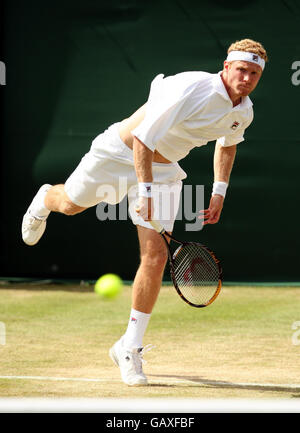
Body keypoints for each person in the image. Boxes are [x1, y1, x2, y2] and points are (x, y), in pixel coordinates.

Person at [22, 38, 268, 386]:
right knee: (70, 205)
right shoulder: (189, 87)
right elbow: (143, 140)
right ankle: (44, 198)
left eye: (254, 73)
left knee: (155, 254)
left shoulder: (243, 111)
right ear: (226, 67)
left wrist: (218, 191)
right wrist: (146, 191)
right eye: (241, 69)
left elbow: (227, 145)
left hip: (166, 170)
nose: (246, 78)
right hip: (119, 153)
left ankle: (129, 347)